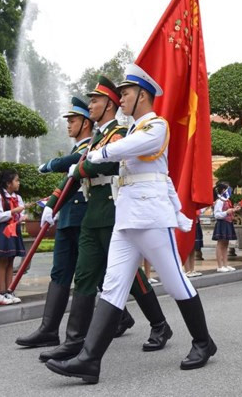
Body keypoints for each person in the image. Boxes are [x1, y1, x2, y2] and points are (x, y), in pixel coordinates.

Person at [45, 63, 215, 383]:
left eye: (125, 93)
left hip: (150, 218)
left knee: (175, 281)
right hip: (126, 218)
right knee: (113, 286)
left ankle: (204, 343)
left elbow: (134, 151)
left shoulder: (156, 127)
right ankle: (89, 360)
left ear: (142, 95)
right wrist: (179, 209)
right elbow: (162, 178)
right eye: (120, 93)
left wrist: (100, 153)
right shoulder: (133, 130)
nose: (121, 98)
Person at [39, 76, 170, 364]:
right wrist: (52, 202)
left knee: (131, 276)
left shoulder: (121, 132)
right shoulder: (99, 136)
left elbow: (109, 162)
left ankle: (160, 325)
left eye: (95, 101)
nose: (91, 106)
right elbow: (79, 172)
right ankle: (74, 341)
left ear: (109, 104)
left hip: (113, 208)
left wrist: (78, 166)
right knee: (85, 274)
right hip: (94, 209)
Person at [16, 97, 132, 346]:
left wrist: (51, 164)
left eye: (74, 120)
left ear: (86, 124)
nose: (69, 125)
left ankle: (127, 319)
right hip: (70, 217)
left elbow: (76, 166)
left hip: (87, 216)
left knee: (93, 274)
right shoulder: (79, 148)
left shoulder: (90, 145)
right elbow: (67, 181)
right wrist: (50, 206)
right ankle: (49, 329)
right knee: (63, 272)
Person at [0, 168, 30, 305]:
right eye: (16, 180)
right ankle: (0, 292)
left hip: (14, 230)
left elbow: (18, 213)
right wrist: (13, 211)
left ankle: (9, 290)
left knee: (11, 260)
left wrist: (21, 216)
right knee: (3, 261)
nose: (19, 183)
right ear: (8, 183)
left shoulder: (18, 198)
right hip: (4, 230)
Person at [212, 182, 238, 273]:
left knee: (226, 244)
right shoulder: (219, 201)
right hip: (222, 223)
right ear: (223, 190)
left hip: (228, 222)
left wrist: (234, 210)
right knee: (220, 244)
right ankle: (220, 265)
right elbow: (216, 214)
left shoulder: (227, 201)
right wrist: (226, 212)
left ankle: (225, 264)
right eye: (228, 189)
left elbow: (228, 211)